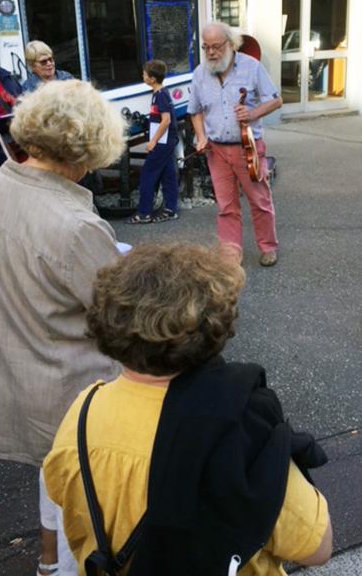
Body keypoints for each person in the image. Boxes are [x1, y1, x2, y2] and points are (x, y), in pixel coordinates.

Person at [43, 242, 332, 575]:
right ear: (213, 326)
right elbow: (316, 547)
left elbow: (65, 500)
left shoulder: (82, 414)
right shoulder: (239, 431)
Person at [0, 80, 126, 575]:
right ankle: (64, 567)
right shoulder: (75, 225)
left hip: (11, 372)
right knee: (87, 504)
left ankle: (46, 562)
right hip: (73, 389)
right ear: (88, 150)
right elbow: (122, 316)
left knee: (52, 479)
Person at [188, 21, 282, 267]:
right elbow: (195, 110)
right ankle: (231, 254)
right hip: (216, 151)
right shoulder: (200, 73)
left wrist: (252, 114)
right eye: (206, 47)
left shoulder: (252, 67)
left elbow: (275, 100)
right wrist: (201, 136)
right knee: (226, 205)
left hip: (248, 148)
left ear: (231, 44)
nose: (211, 53)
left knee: (259, 201)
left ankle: (268, 247)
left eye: (216, 47)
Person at [128, 60, 179, 224]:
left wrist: (153, 142)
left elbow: (166, 120)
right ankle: (171, 209)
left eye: (144, 74)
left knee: (147, 175)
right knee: (168, 174)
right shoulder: (159, 93)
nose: (143, 76)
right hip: (167, 141)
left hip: (162, 142)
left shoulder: (161, 95)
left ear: (152, 78)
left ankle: (144, 213)